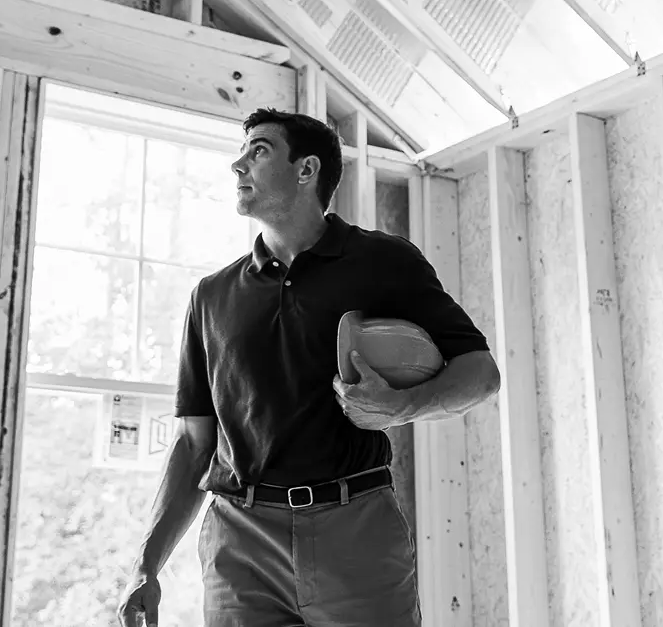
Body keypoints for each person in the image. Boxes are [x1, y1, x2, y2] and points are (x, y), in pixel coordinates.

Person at [116, 108, 501, 627]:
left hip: (356, 528)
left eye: (259, 150)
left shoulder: (385, 261)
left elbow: (480, 373)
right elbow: (193, 445)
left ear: (306, 170)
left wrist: (404, 405)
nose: (238, 165)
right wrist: (146, 564)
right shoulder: (210, 297)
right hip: (240, 541)